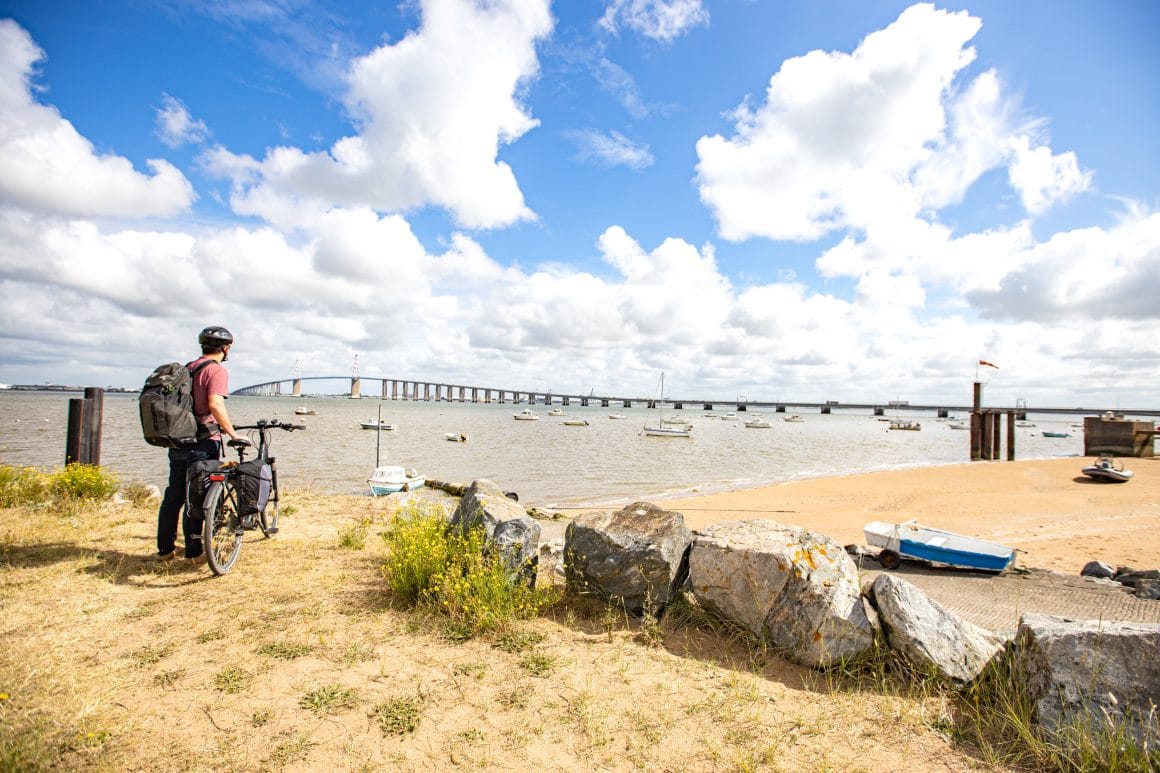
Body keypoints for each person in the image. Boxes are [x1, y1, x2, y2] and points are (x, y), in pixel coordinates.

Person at [155, 326, 246, 560]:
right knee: (196, 496)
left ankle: (165, 549)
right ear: (226, 348)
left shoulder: (189, 368)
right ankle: (193, 552)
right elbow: (215, 404)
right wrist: (232, 434)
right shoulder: (216, 371)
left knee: (174, 494)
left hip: (178, 438)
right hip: (203, 441)